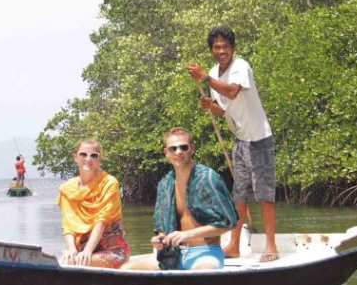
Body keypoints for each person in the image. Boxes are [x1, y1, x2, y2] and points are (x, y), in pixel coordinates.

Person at [187, 25, 279, 262]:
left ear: (233, 48)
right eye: (216, 47)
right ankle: (234, 245)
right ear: (211, 51)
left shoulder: (241, 66)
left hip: (259, 139)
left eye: (225, 46)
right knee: (238, 194)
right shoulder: (213, 72)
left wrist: (205, 78)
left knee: (264, 194)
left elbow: (232, 92)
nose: (221, 51)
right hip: (240, 141)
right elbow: (222, 109)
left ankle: (271, 246)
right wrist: (210, 106)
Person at [122, 127, 238, 271]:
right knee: (125, 269)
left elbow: (229, 223)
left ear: (192, 149)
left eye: (183, 147)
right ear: (166, 153)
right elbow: (162, 229)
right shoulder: (164, 184)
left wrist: (187, 235)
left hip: (205, 253)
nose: (178, 152)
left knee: (203, 274)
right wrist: (159, 240)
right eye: (173, 149)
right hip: (172, 255)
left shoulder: (208, 178)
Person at [57, 139, 131, 268]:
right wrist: (72, 249)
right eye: (83, 154)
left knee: (78, 262)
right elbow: (68, 225)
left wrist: (88, 251)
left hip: (113, 251)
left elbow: (101, 220)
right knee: (68, 259)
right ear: (75, 157)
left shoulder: (109, 183)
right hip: (81, 249)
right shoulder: (68, 189)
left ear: (99, 159)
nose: (88, 158)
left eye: (94, 155)